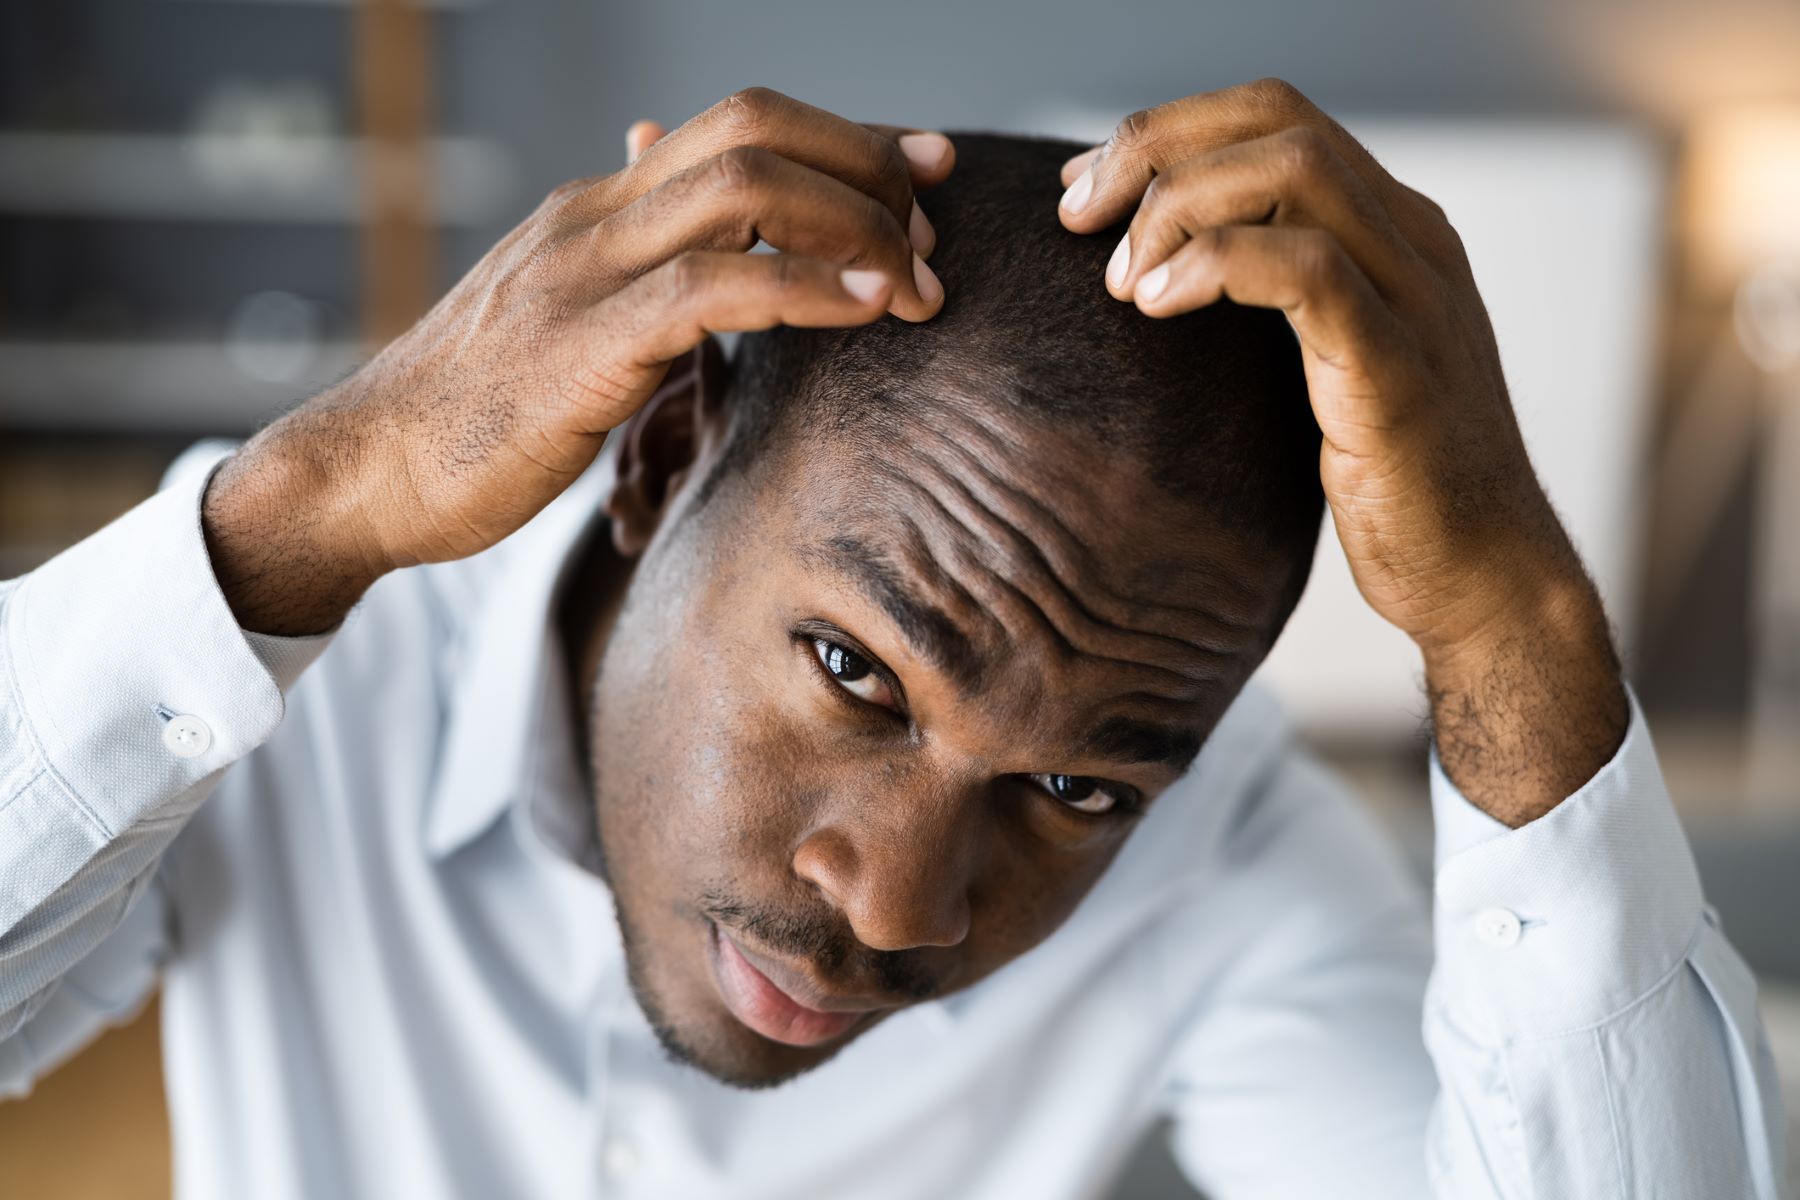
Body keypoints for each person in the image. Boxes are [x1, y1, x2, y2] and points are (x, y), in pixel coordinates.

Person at [0, 82, 1784, 1199]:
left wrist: (1518, 624)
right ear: (670, 456)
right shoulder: (290, 652)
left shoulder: (1233, 854)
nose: (898, 906)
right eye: (859, 673)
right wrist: (306, 506)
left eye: (1079, 786)